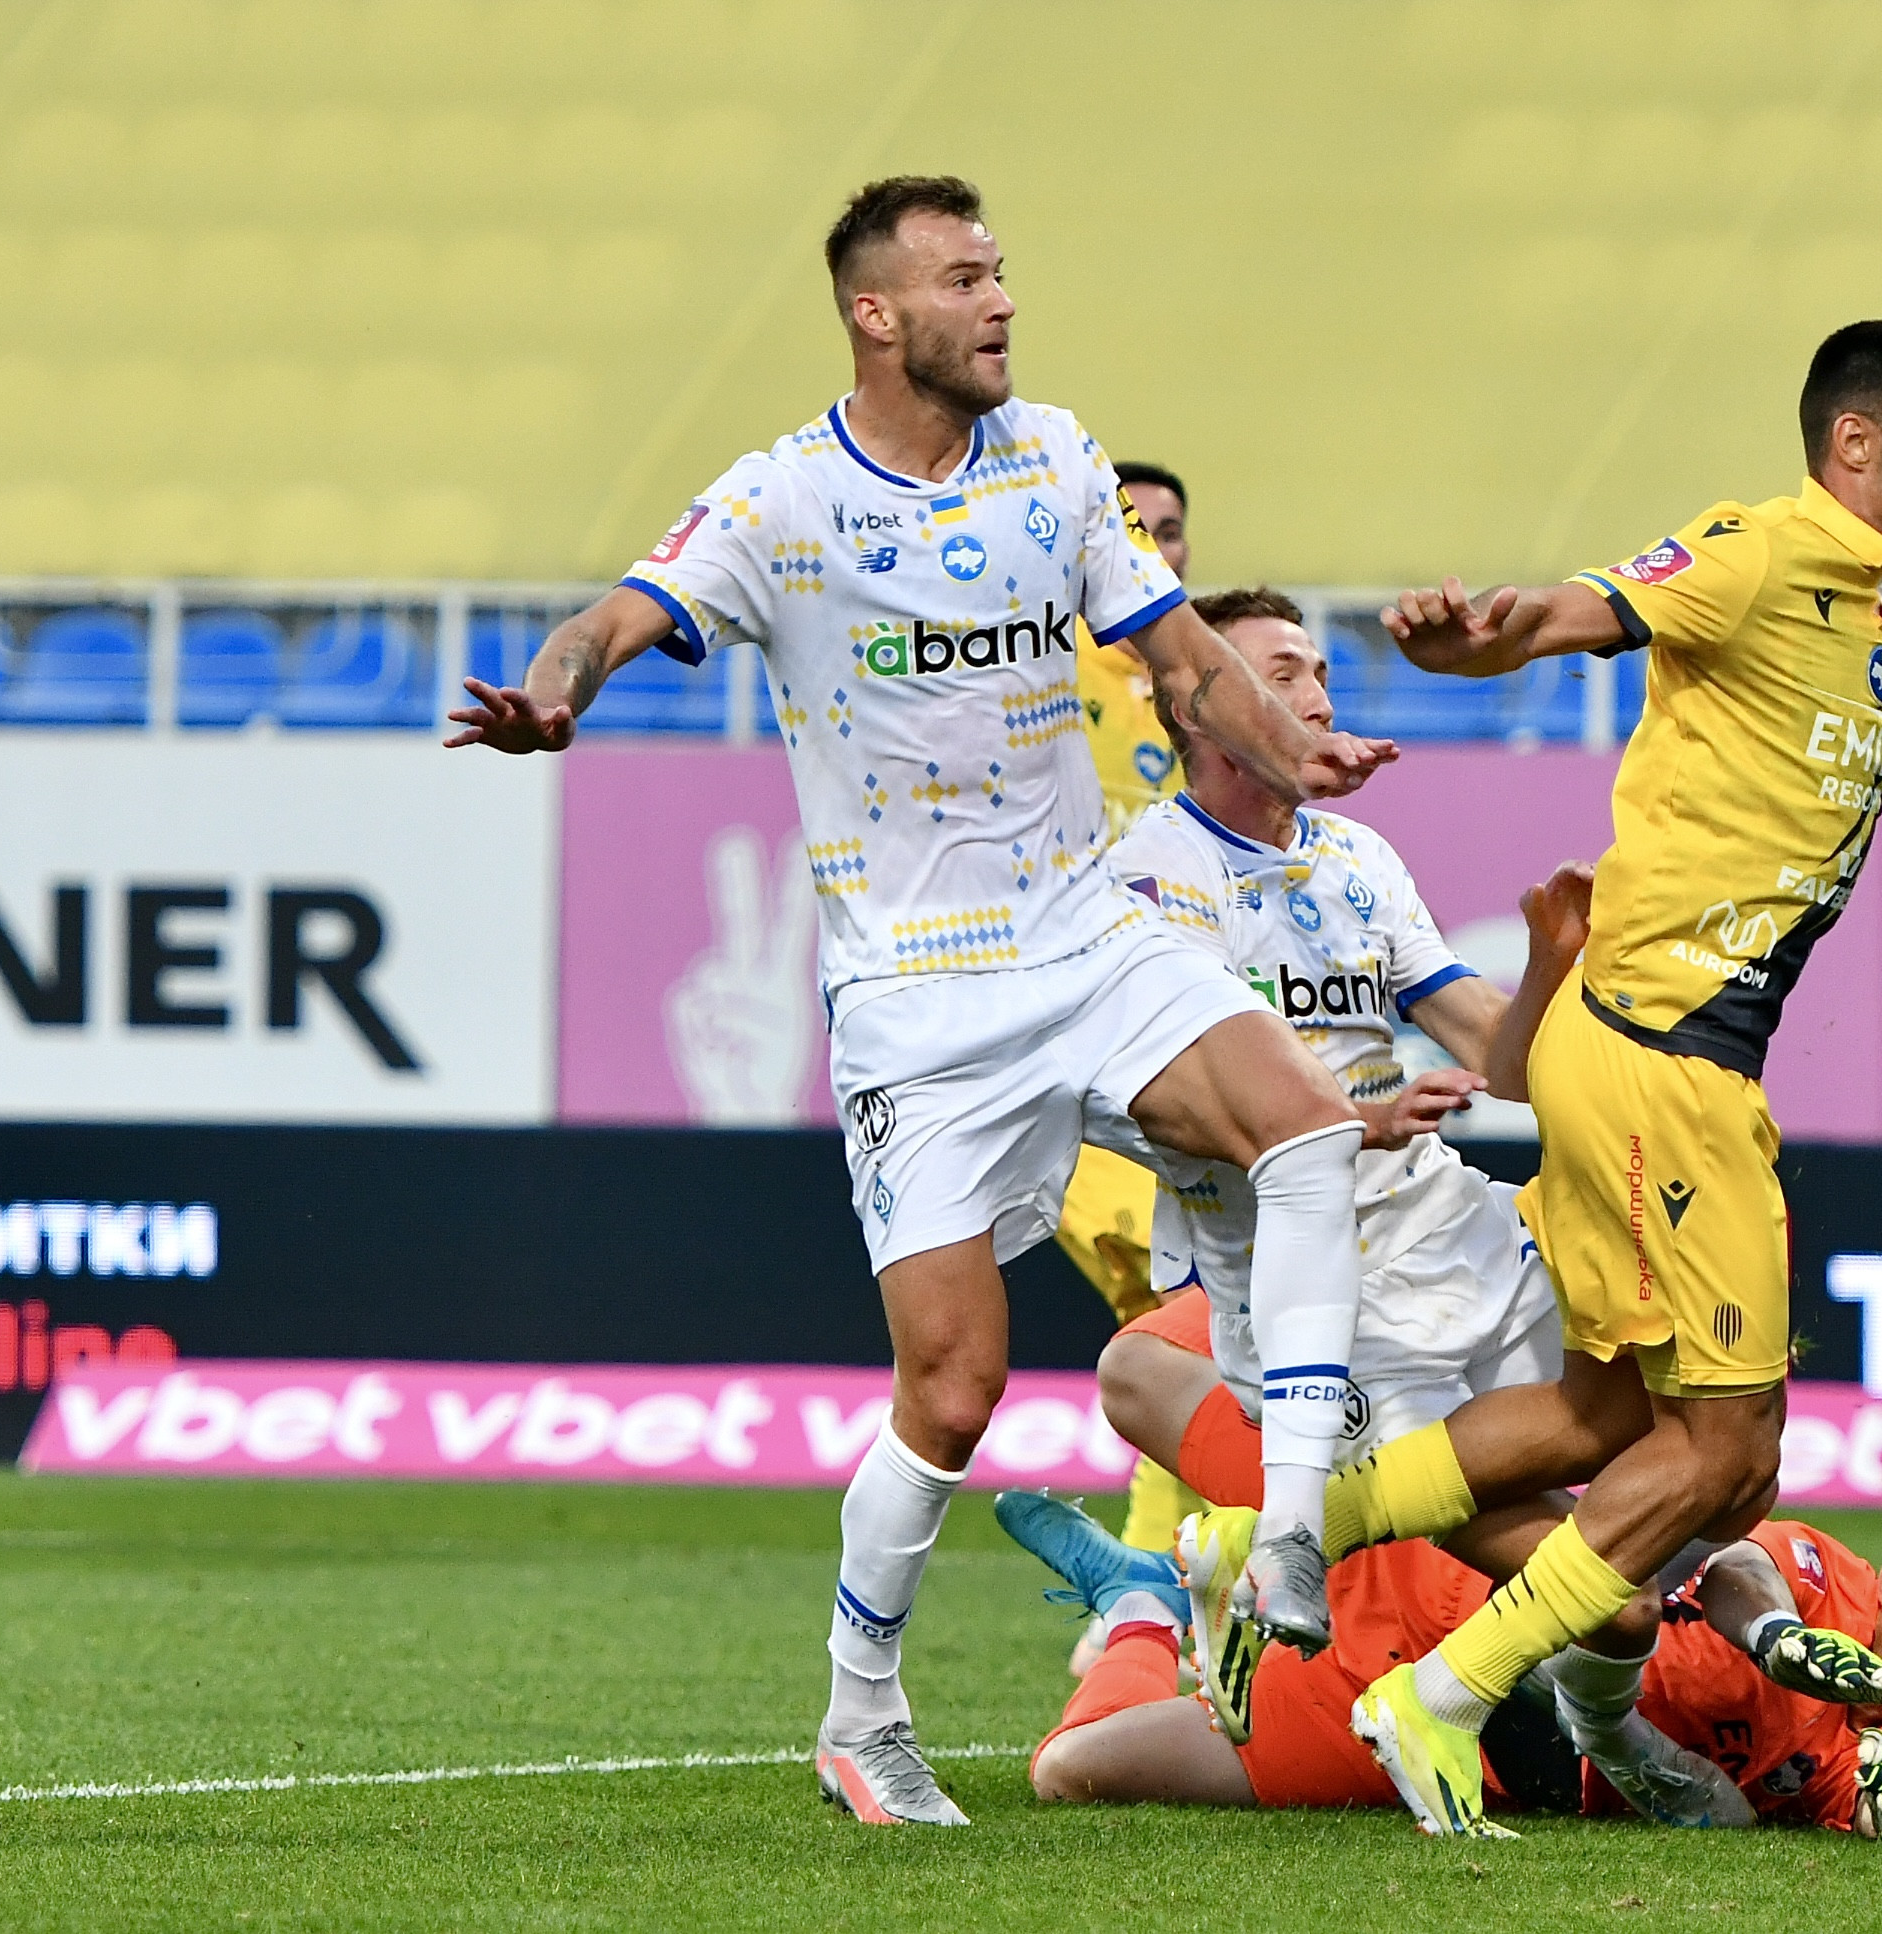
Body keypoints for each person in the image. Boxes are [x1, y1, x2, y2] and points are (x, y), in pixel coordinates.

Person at [444, 176, 1396, 1826]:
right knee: (953, 1390)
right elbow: (611, 618)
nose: (1001, 300)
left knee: (1309, 1128)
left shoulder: (1056, 459)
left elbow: (1181, 654)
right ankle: (860, 1713)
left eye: (1000, 270)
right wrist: (553, 696)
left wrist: (1289, 748)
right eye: (964, 278)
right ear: (876, 315)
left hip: (1086, 934)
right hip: (917, 995)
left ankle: (1294, 1518)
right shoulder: (785, 499)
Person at [1308, 319, 1882, 1835]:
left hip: (1650, 1049)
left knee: (1602, 1414)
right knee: (1725, 1451)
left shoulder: (1881, 599)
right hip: (1663, 1053)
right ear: (1856, 443)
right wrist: (1479, 645)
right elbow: (1580, 609)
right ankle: (1441, 1693)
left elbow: (1828, 762)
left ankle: (1273, 1539)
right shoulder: (1758, 549)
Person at [1088, 583, 1598, 1719]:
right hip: (1315, 1301)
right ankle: (1583, 1714)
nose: (1317, 696)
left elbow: (1504, 1062)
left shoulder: (1359, 856)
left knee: (1660, 1425)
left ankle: (1257, 1548)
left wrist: (1549, 965)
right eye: (1282, 676)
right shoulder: (1151, 878)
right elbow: (1179, 1101)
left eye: (1319, 671)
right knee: (1582, 1575)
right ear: (1201, 704)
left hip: (1454, 1234)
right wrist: (1350, 1121)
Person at [998, 1485, 1882, 1843]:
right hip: (1449, 1589)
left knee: (1071, 1770)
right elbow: (1743, 1565)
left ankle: (1139, 1610)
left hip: (1467, 1743)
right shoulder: (1821, 1578)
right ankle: (1212, 1542)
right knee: (1615, 1607)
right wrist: (1780, 1640)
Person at [1055, 458, 1200, 1574]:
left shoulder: (1203, 683)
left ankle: (1160, 1583)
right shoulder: (1043, 665)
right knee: (1183, 1307)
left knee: (1184, 1314)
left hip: (1170, 1028)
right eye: (1131, 525)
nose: (1153, 543)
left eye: (1170, 529)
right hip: (1055, 1037)